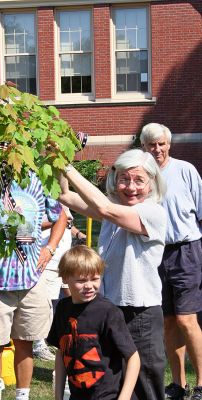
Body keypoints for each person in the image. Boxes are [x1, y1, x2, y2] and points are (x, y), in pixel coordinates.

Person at [57, 148, 167, 400]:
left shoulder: (152, 212)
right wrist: (56, 164)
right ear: (114, 180)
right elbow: (66, 196)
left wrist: (68, 166)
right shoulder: (114, 209)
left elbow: (105, 209)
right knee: (114, 383)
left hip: (140, 314)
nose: (131, 187)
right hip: (111, 310)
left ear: (152, 184)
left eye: (139, 180)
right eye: (124, 179)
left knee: (144, 388)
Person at [0, 171, 67, 400]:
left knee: (25, 343)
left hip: (31, 280)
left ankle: (22, 397)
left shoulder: (40, 179)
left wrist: (50, 248)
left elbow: (61, 217)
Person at [140, 123, 202, 400]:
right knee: (167, 321)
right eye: (152, 145)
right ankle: (178, 384)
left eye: (161, 144)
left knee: (187, 319)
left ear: (169, 145)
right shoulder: (141, 175)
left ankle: (201, 383)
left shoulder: (185, 170)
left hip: (186, 250)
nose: (157, 149)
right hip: (154, 253)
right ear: (144, 147)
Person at [47, 245, 140, 400]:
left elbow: (133, 357)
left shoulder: (108, 312)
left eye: (95, 279)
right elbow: (62, 352)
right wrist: (58, 396)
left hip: (108, 396)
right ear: (64, 278)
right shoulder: (63, 309)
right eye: (81, 280)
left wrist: (123, 398)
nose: (89, 286)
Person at [33, 206, 86, 361]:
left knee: (63, 300)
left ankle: (56, 337)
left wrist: (78, 234)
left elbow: (68, 222)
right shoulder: (38, 196)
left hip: (62, 258)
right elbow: (30, 224)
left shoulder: (59, 198)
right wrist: (57, 222)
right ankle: (38, 344)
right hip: (46, 258)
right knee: (44, 304)